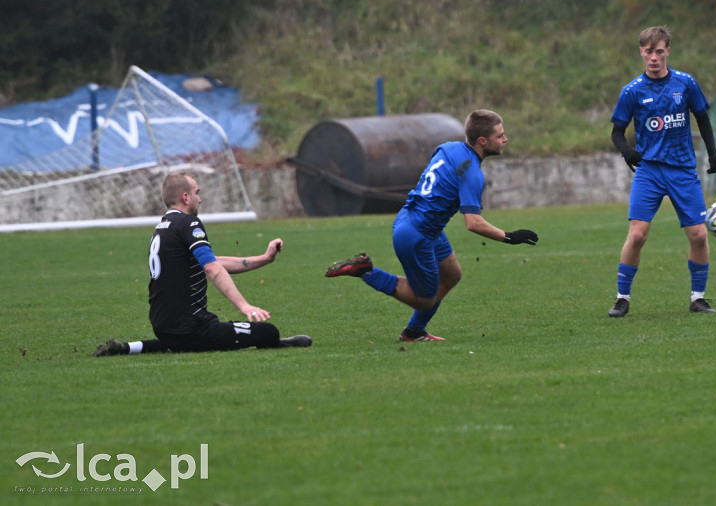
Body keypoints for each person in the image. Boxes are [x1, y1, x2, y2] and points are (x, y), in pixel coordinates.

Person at [324, 109, 539, 342]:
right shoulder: (473, 174)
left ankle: (414, 332)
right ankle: (365, 271)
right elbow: (473, 223)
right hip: (417, 234)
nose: (505, 139)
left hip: (416, 220)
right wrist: (509, 236)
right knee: (424, 299)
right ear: (482, 141)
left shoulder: (448, 147)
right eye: (500, 136)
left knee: (452, 275)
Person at [93, 172, 311, 356]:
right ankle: (280, 343)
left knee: (182, 345)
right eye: (197, 193)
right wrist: (245, 306)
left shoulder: (164, 226)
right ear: (186, 197)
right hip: (192, 325)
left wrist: (265, 258)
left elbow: (213, 261)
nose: (200, 199)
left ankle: (127, 348)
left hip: (163, 325)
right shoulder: (189, 223)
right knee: (268, 331)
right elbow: (212, 268)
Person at [607, 25, 716, 318]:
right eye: (648, 51)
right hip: (649, 172)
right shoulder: (632, 91)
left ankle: (698, 297)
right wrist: (626, 150)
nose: (654, 57)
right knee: (637, 236)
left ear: (668, 51)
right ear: (641, 52)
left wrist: (712, 153)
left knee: (698, 235)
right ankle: (622, 298)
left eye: (659, 51)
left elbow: (703, 118)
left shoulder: (685, 83)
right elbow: (617, 132)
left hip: (682, 169)